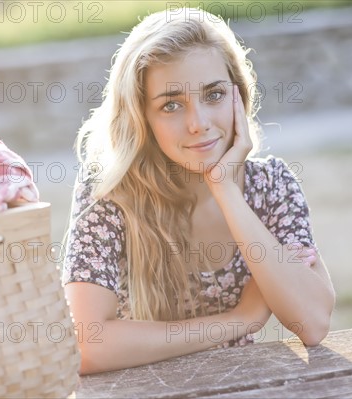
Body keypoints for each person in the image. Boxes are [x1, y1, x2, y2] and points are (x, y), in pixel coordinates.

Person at [61, 8, 335, 375]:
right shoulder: (111, 193)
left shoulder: (271, 186)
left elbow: (314, 322)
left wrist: (226, 190)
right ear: (142, 116)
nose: (199, 124)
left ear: (238, 95)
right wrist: (239, 320)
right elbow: (86, 344)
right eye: (171, 105)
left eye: (214, 94)